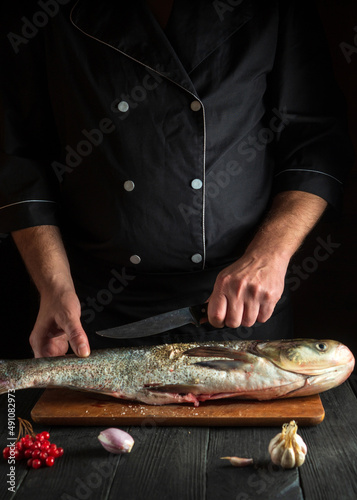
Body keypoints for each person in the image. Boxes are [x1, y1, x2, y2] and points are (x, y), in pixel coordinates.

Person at [0, 0, 353, 358]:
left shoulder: (276, 7)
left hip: (238, 299)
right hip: (87, 307)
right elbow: (19, 159)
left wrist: (270, 256)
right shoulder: (43, 10)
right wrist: (53, 286)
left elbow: (314, 142)